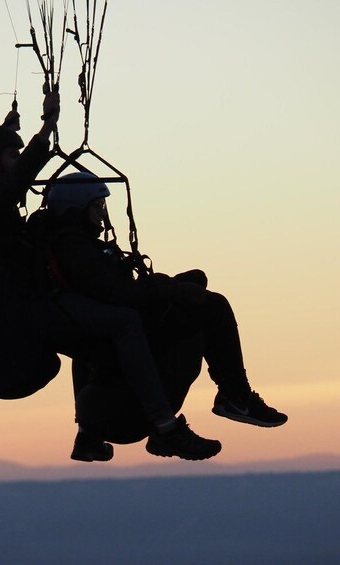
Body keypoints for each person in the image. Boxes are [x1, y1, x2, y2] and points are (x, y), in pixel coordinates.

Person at [0, 92, 221, 461]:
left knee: (89, 320)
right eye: (11, 157)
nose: (18, 164)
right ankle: (165, 426)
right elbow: (10, 185)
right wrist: (46, 129)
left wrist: (8, 133)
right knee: (123, 321)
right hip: (17, 309)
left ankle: (87, 436)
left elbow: (3, 181)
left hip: (23, 301)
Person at [31, 172, 288, 460]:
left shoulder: (72, 244)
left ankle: (90, 435)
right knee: (212, 305)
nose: (103, 213)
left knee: (195, 283)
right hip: (118, 393)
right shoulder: (73, 247)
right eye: (97, 206)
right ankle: (220, 403)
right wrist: (168, 289)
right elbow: (116, 293)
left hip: (101, 384)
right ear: (76, 209)